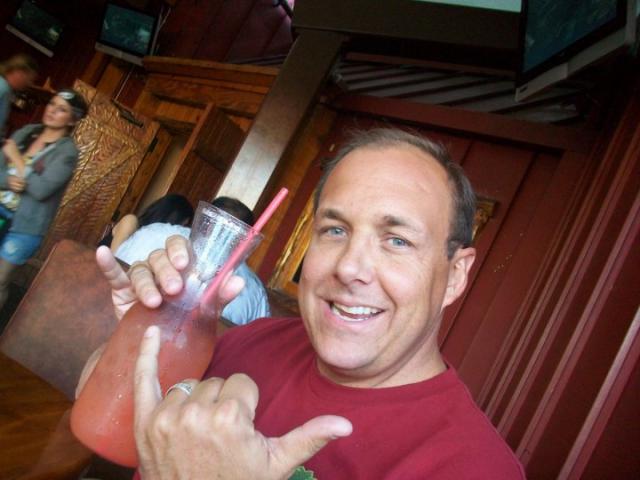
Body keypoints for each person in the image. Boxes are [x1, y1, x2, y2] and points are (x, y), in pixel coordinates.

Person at [87, 128, 525, 478]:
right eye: (335, 230)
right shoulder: (251, 340)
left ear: (455, 275)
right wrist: (144, 334)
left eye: (397, 240)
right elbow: (115, 422)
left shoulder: (475, 467)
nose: (349, 267)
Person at [114, 196, 270, 326]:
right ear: (245, 241)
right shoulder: (256, 290)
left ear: (202, 220)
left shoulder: (154, 231)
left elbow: (115, 263)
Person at [0, 88, 87, 310]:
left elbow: (41, 190)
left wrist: (16, 159)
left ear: (72, 120)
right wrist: (9, 181)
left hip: (25, 227)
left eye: (62, 109)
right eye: (52, 104)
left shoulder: (67, 153)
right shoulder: (27, 132)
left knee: (0, 280)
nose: (52, 111)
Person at [99, 193, 195, 253]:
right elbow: (117, 259)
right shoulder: (130, 221)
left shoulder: (152, 243)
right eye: (182, 224)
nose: (180, 230)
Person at [0, 54, 38, 140]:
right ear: (20, 73)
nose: (29, 84)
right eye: (29, 79)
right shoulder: (3, 87)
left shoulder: (6, 89)